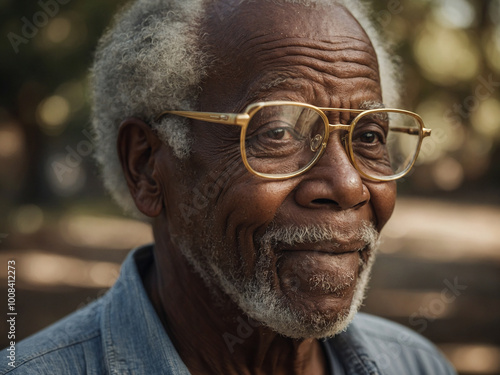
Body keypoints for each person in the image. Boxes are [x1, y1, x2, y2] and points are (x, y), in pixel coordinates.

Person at [2, 0, 456, 374]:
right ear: (145, 165)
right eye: (278, 133)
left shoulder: (417, 365)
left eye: (368, 137)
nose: (348, 184)